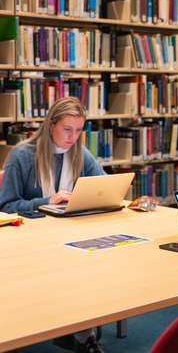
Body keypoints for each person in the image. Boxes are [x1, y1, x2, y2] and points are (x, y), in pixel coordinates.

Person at [0, 96, 107, 353]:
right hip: (29, 240)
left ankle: (80, 334)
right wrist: (46, 201)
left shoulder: (81, 153)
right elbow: (5, 206)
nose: (73, 137)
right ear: (51, 125)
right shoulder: (23, 155)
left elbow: (103, 187)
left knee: (91, 262)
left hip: (68, 235)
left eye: (79, 130)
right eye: (67, 129)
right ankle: (82, 336)